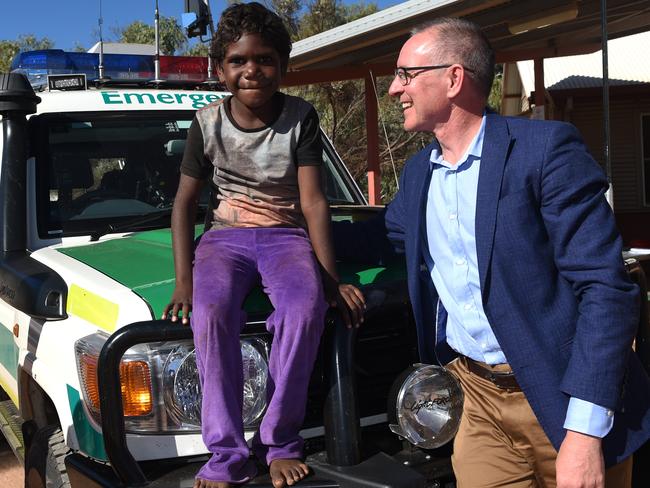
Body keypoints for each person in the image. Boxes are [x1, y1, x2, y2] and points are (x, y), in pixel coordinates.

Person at [334, 17, 650, 488]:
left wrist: (584, 433)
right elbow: (376, 238)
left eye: (406, 75)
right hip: (475, 399)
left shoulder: (544, 152)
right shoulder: (421, 173)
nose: (396, 89)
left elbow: (606, 289)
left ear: (454, 78)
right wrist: (282, 230)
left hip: (563, 396)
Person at [162, 4, 365, 488]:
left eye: (265, 59)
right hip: (224, 239)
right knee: (210, 316)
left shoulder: (301, 118)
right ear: (220, 69)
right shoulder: (205, 123)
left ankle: (278, 441)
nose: (251, 70)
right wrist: (184, 283)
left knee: (305, 309)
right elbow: (184, 205)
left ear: (283, 65)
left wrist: (329, 280)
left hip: (285, 235)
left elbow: (314, 203)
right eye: (238, 61)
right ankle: (227, 454)